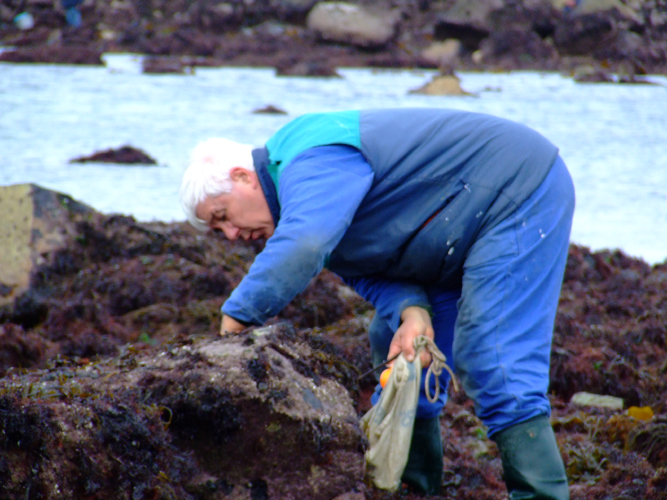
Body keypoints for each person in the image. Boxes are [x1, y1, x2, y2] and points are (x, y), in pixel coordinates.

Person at [179, 108, 574, 499]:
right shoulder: (303, 200)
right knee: (398, 344)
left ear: (243, 177)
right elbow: (367, 268)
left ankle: (540, 493)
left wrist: (238, 315)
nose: (230, 234)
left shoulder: (306, 154)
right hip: (452, 229)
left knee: (493, 356)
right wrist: (411, 311)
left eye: (223, 215)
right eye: (218, 230)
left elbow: (306, 242)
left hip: (517, 190)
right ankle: (415, 489)